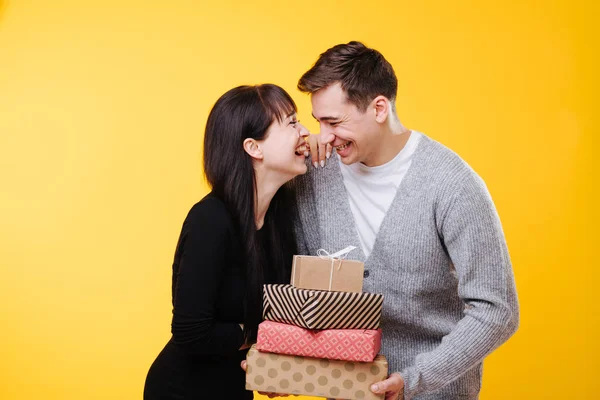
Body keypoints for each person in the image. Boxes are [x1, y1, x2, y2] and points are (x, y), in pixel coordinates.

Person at [293, 41, 520, 400]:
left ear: (379, 107)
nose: (324, 136)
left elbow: (498, 309)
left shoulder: (451, 183)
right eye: (318, 122)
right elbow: (300, 290)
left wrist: (418, 379)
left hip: (434, 393)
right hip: (344, 392)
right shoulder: (313, 178)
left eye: (334, 122)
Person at [143, 84, 310, 400]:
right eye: (291, 123)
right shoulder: (211, 220)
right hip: (182, 391)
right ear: (254, 148)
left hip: (233, 389)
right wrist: (260, 334)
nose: (305, 132)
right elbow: (191, 333)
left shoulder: (279, 219)